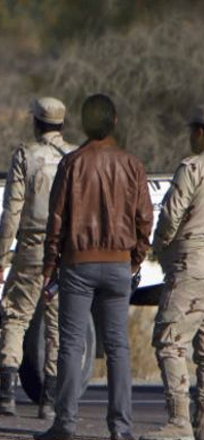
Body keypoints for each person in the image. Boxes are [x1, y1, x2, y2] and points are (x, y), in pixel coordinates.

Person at [35, 94, 153, 440]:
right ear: (114, 121)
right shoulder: (132, 164)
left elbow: (56, 221)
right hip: (118, 265)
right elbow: (145, 218)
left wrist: (49, 267)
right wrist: (134, 258)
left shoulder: (72, 164)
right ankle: (121, 429)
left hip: (78, 265)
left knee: (72, 345)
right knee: (118, 347)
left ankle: (65, 425)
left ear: (84, 125)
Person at [0, 97, 75, 419]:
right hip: (65, 251)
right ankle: (48, 400)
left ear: (36, 123)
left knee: (16, 317)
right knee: (56, 326)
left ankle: (6, 394)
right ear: (61, 124)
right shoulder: (75, 158)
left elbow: (12, 210)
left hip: (32, 247)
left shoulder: (26, 155)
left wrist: (0, 256)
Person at [141, 106, 204, 440]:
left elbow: (171, 215)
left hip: (191, 267)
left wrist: (157, 246)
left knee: (169, 342)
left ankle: (179, 421)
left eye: (194, 130)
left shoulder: (192, 168)